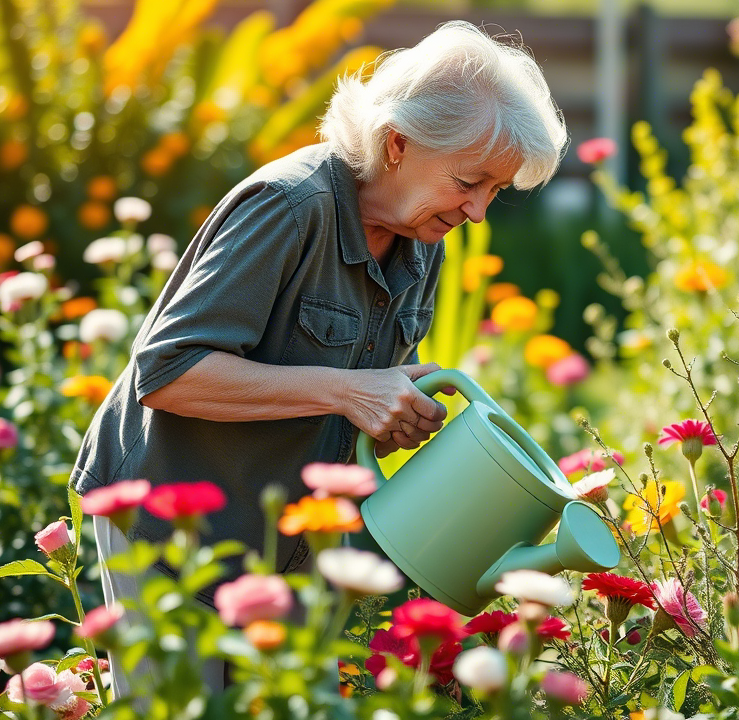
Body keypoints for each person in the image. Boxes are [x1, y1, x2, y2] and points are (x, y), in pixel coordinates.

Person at [69, 20, 568, 695]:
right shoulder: (289, 206)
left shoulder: (423, 240)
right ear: (398, 143)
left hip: (287, 541)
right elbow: (167, 373)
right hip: (168, 524)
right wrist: (348, 391)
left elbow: (347, 398)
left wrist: (390, 414)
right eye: (469, 182)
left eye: (496, 191)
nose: (478, 211)